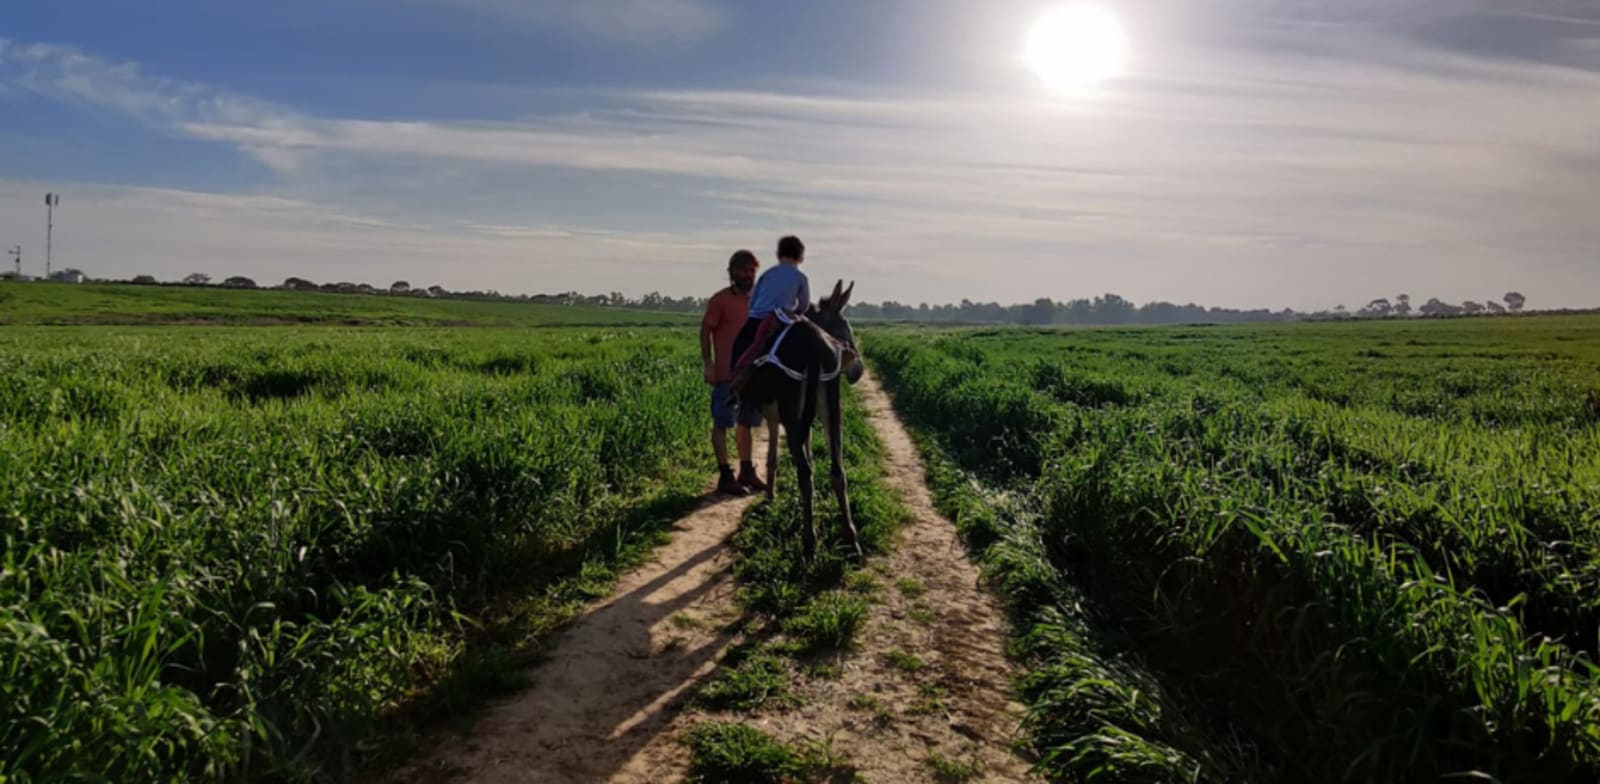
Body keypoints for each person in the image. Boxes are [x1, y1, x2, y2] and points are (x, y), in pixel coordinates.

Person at [701, 250, 767, 496]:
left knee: (746, 423)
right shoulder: (720, 301)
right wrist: (708, 363)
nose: (748, 275)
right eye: (743, 270)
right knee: (722, 422)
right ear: (732, 272)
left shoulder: (759, 301)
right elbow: (705, 330)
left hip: (753, 374)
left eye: (752, 270)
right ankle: (725, 474)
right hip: (726, 373)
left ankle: (746, 471)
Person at [731, 235, 809, 379]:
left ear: (779, 254)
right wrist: (794, 312)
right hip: (780, 321)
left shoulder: (767, 274)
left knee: (738, 349)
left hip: (755, 320)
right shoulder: (800, 277)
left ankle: (734, 382)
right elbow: (804, 305)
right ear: (800, 256)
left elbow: (752, 301)